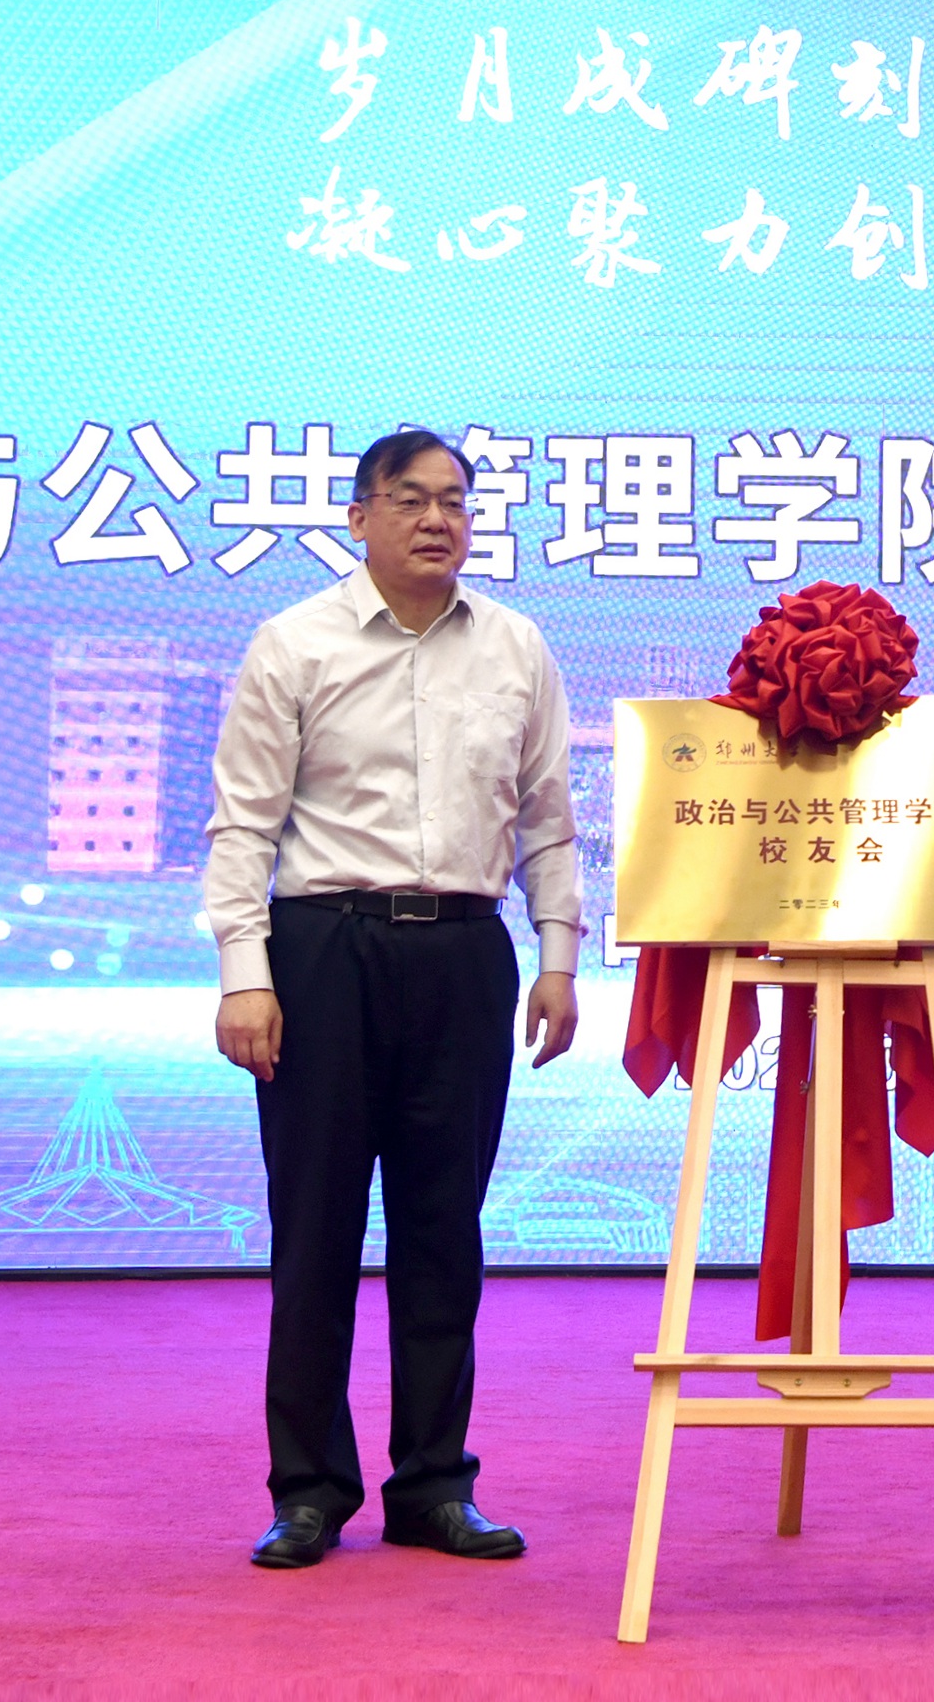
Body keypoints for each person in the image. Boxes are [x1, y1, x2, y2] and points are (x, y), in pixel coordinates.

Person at [204, 427, 582, 1569]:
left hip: (464, 954)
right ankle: (309, 1489)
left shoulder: (514, 645)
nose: (437, 520)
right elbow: (243, 825)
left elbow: (548, 817)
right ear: (359, 516)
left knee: (441, 1233)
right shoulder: (295, 642)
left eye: (455, 501)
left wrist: (559, 955)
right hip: (324, 951)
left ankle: (433, 1485)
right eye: (411, 499)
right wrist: (245, 976)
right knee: (314, 1231)